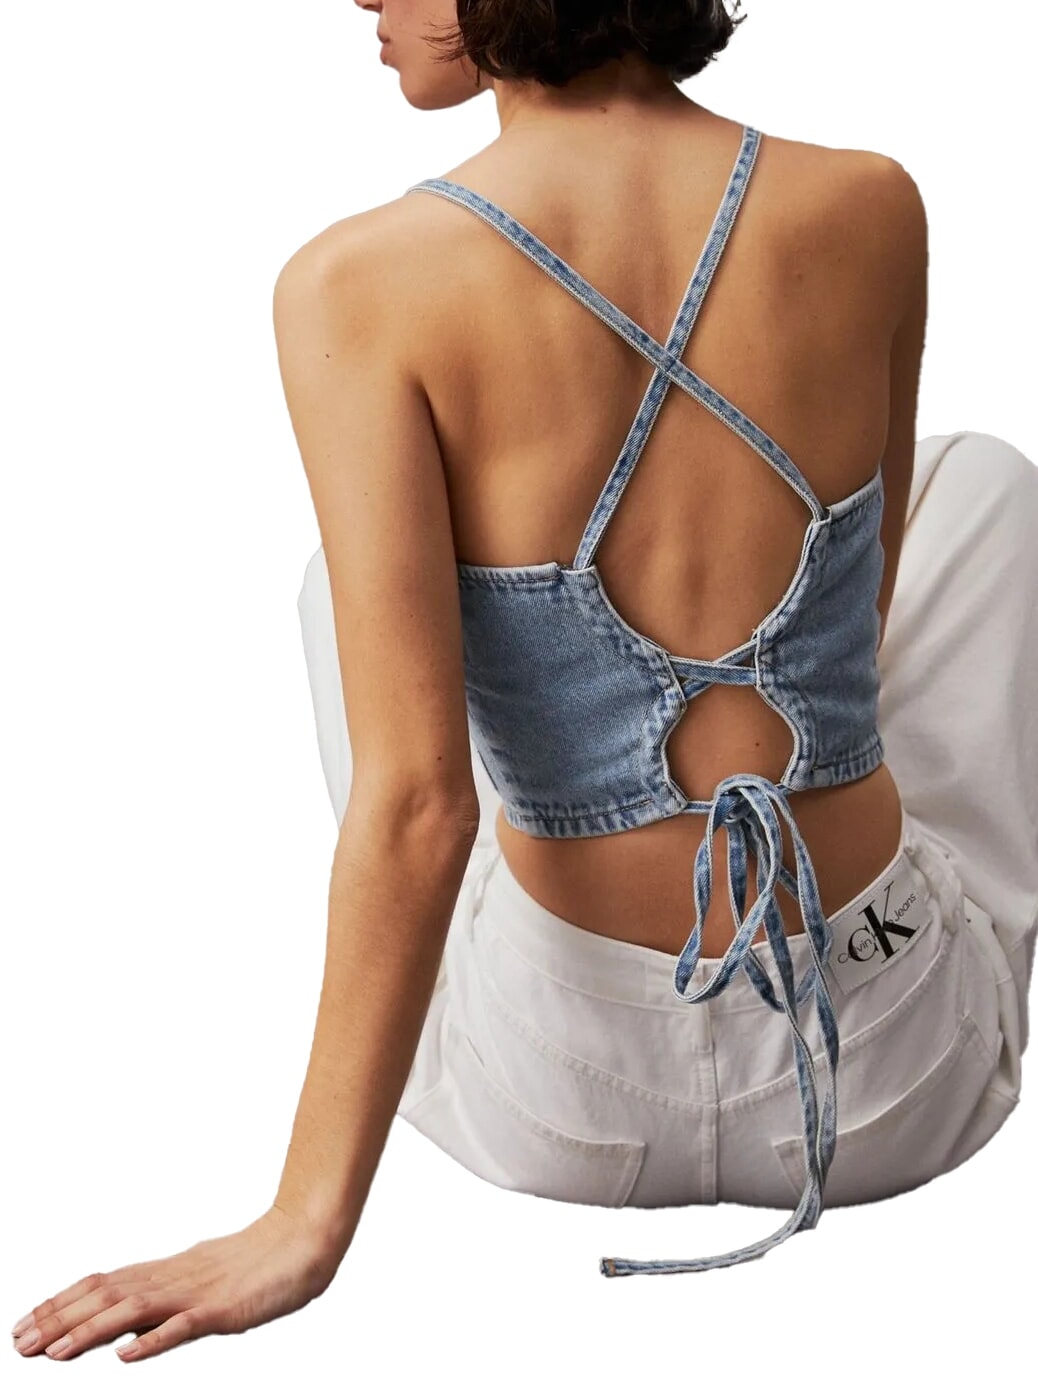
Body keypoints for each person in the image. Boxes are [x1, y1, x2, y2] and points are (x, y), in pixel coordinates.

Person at [12, 0, 1036, 1363]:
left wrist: (302, 1223)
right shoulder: (870, 203)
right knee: (988, 489)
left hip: (553, 1103)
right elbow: (866, 619)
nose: (363, 0)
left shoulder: (356, 283)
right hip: (888, 1088)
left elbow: (417, 804)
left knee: (358, 589)